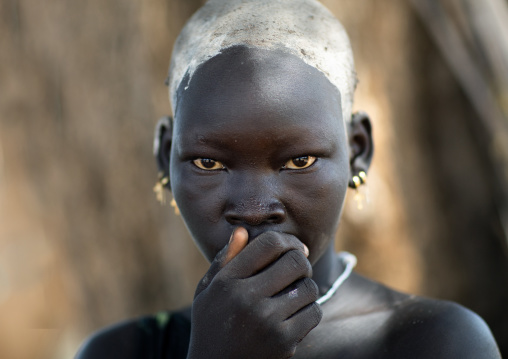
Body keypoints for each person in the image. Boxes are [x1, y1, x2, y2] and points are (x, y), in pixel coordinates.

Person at [76, 0, 502, 358]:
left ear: (357, 151)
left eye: (299, 160)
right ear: (165, 157)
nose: (255, 208)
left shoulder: (434, 342)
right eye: (209, 164)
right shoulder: (122, 350)